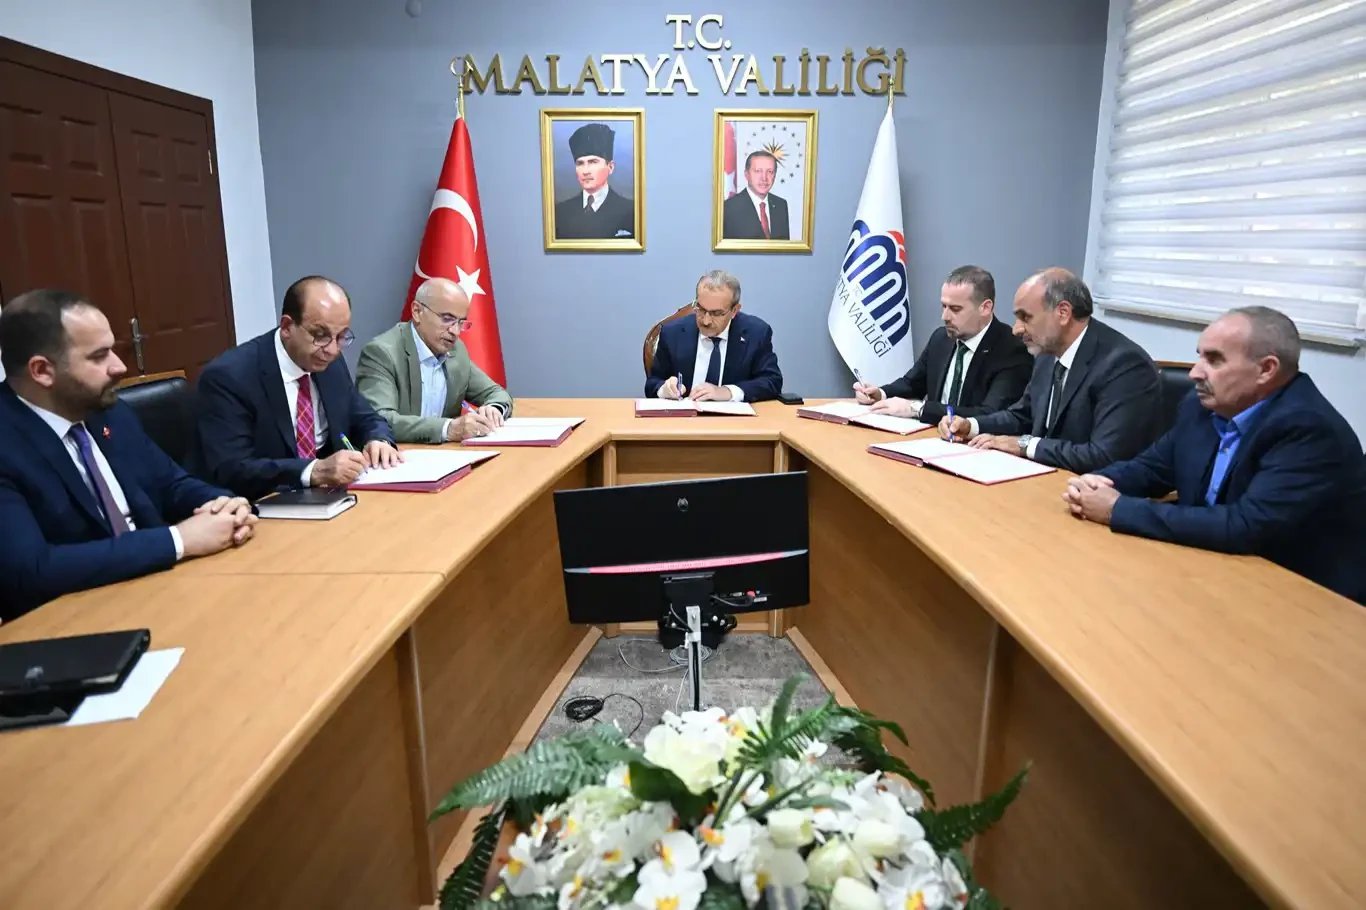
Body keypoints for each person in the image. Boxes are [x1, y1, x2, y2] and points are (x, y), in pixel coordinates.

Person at [1065, 307, 1366, 605]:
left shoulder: (1308, 429)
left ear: (1266, 369)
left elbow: (1245, 525)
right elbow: (1152, 469)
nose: (1195, 372)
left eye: (1214, 360)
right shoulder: (1203, 406)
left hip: (1302, 594)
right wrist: (1098, 483)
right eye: (1199, 355)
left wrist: (1116, 510)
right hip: (1214, 568)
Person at [0, 290, 255, 620]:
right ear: (42, 370)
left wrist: (224, 504)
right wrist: (178, 540)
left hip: (163, 589)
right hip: (76, 619)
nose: (119, 367)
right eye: (98, 356)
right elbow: (31, 572)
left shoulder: (107, 410)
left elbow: (170, 484)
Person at [192, 275, 401, 502]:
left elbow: (364, 416)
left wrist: (378, 439)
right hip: (261, 503)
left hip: (328, 497)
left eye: (341, 337)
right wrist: (314, 470)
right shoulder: (229, 377)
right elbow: (233, 467)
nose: (332, 350)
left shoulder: (329, 363)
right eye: (320, 335)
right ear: (287, 327)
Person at [938, 268, 1160, 474]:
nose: (1016, 329)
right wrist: (970, 425)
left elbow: (1103, 455)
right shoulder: (1046, 354)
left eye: (1026, 317)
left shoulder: (1124, 364)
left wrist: (1025, 445)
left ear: (1063, 312)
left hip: (1092, 492)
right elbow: (1022, 415)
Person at [853, 265, 1032, 424]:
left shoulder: (1011, 349)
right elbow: (912, 384)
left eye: (955, 309)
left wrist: (918, 409)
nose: (945, 317)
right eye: (943, 306)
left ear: (985, 308)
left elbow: (990, 414)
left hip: (976, 447)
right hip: (933, 437)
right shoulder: (941, 338)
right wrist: (880, 393)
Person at [356, 278, 513, 443]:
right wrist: (448, 429)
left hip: (444, 457)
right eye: (447, 319)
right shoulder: (382, 353)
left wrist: (493, 409)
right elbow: (379, 420)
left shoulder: (456, 350)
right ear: (417, 311)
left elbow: (497, 393)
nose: (455, 332)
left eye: (461, 322)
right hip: (399, 457)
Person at [645, 270, 783, 403]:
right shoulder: (672, 333)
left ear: (734, 311)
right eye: (701, 309)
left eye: (716, 313)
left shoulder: (756, 333)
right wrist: (664, 389)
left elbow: (772, 381)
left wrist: (727, 392)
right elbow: (653, 383)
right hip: (684, 420)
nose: (706, 321)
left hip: (736, 423)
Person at [552, 123, 635, 240]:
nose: (585, 171)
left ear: (610, 167)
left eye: (593, 162)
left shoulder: (631, 210)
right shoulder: (560, 212)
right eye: (580, 163)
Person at [722, 151, 790, 241]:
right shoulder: (729, 208)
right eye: (758, 171)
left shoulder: (781, 205)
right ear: (747, 175)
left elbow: (785, 249)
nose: (764, 178)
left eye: (770, 172)